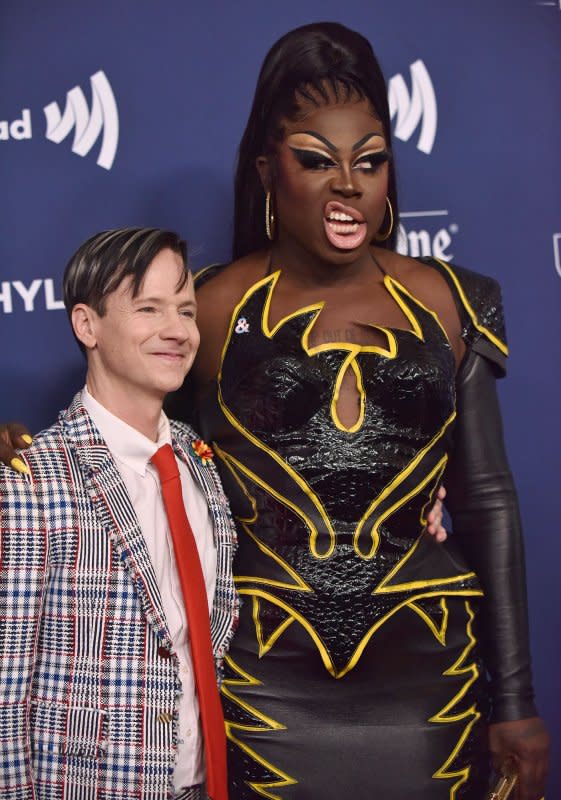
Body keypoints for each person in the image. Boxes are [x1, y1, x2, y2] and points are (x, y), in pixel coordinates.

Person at [0, 22, 548, 800]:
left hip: (430, 680)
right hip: (260, 681)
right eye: (315, 161)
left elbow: (486, 499)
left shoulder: (454, 303)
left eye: (369, 161)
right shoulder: (208, 309)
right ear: (267, 170)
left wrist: (516, 701)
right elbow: (140, 462)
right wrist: (25, 458)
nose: (347, 185)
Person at [0, 228, 238, 800]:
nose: (178, 331)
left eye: (185, 310)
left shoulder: (202, 464)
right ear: (88, 326)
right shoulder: (29, 481)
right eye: (149, 309)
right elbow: (5, 692)